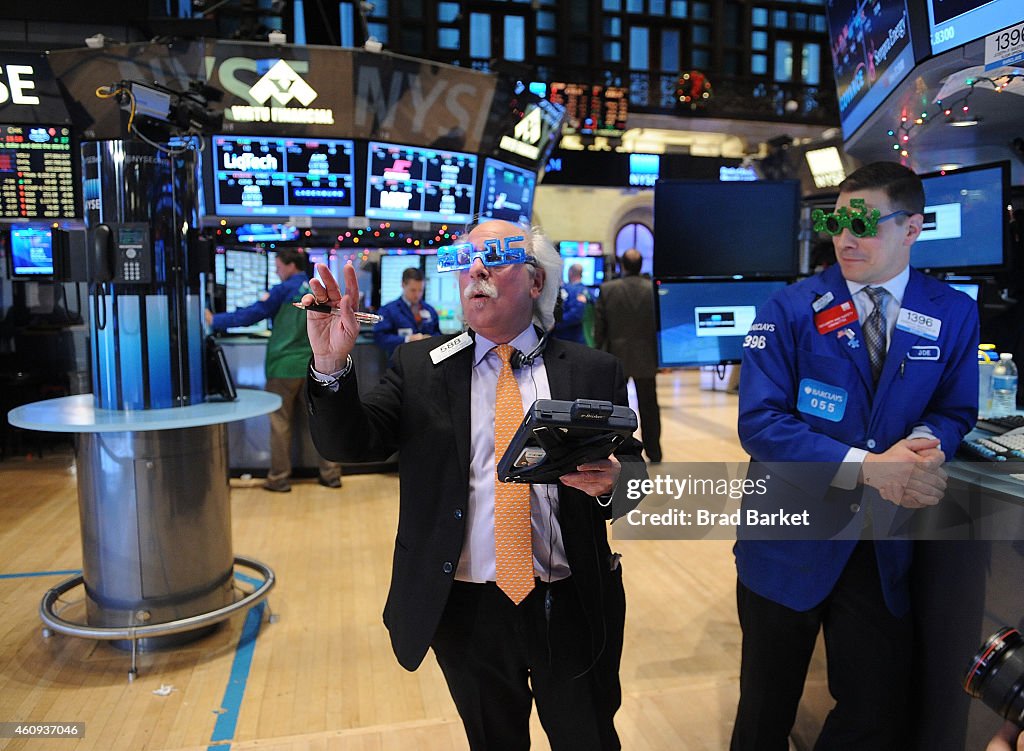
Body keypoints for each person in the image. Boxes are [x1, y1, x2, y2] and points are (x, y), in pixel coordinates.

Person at [302, 220, 646, 751]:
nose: (476, 271)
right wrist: (330, 362)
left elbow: (632, 472)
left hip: (571, 599)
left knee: (590, 738)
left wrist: (615, 483)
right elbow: (350, 443)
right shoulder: (420, 366)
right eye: (466, 260)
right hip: (466, 608)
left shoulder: (592, 368)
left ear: (535, 282)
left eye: (497, 258)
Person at [731, 162, 979, 750]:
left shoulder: (952, 312)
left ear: (913, 228)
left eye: (863, 224)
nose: (845, 238)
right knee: (765, 709)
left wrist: (921, 445)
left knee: (874, 708)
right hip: (787, 536)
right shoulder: (787, 310)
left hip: (877, 544)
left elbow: (956, 409)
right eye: (837, 222)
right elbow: (761, 424)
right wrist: (868, 466)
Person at [206, 248, 342, 492]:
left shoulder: (283, 290)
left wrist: (215, 320)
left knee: (281, 424)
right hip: (312, 367)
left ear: (290, 265)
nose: (277, 271)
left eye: (278, 266)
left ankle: (279, 478)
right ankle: (330, 474)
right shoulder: (317, 290)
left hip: (283, 366)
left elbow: (253, 314)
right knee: (319, 422)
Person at [594, 248, 662, 463]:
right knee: (649, 407)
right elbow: (659, 327)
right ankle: (655, 452)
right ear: (641, 265)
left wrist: (599, 357)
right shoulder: (652, 290)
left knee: (617, 408)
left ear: (622, 265)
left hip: (616, 357)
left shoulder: (607, 289)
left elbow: (599, 329)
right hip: (646, 356)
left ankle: (623, 452)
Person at [373, 266, 441, 357]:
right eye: (413, 290)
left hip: (426, 362)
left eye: (420, 290)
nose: (417, 295)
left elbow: (438, 334)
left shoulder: (429, 310)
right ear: (403, 285)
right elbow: (380, 338)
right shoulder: (388, 310)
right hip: (400, 364)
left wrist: (431, 339)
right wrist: (407, 339)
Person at [552, 262, 592, 344]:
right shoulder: (588, 292)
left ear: (570, 272)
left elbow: (576, 315)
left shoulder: (574, 290)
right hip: (581, 337)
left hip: (570, 338)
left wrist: (555, 323)